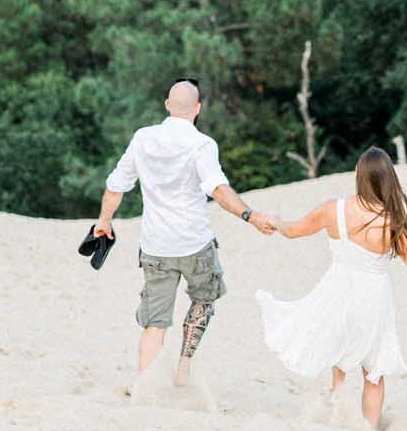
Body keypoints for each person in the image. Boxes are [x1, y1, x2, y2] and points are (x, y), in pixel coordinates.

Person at [256, 146, 407, 430]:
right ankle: (367, 429)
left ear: (359, 176)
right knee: (374, 372)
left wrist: (275, 221)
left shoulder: (333, 209)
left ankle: (336, 411)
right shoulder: (393, 221)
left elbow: (294, 231)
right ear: (388, 179)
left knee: (340, 359)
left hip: (337, 293)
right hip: (373, 300)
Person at [93, 79, 277, 386]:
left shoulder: (142, 138)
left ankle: (146, 388)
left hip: (155, 246)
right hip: (194, 243)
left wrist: (104, 221)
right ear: (197, 108)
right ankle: (183, 366)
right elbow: (218, 191)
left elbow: (115, 187)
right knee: (205, 299)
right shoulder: (202, 144)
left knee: (155, 322)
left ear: (166, 105)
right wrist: (250, 215)